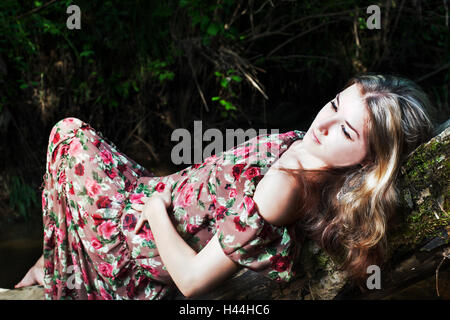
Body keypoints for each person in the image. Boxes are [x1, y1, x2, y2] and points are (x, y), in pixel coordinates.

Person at [15, 74, 434, 299]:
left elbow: (193, 282)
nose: (321, 123)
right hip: (157, 195)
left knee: (69, 135)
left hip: (141, 232)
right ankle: (52, 259)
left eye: (344, 130)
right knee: (77, 143)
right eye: (334, 105)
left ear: (367, 162)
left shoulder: (284, 190)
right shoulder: (309, 153)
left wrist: (156, 210)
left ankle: (56, 268)